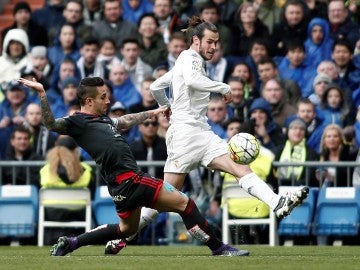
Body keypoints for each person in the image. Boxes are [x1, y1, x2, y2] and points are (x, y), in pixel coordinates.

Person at [105, 16, 309, 254]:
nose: (214, 47)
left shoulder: (188, 61)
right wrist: (221, 87)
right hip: (185, 134)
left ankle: (277, 203)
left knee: (237, 167)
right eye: (210, 42)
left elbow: (156, 87)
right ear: (195, 41)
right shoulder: (189, 58)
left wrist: (167, 106)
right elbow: (190, 80)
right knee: (163, 197)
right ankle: (120, 236)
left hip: (199, 132)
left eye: (216, 43)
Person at [19, 76, 249, 257]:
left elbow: (126, 121)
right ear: (89, 101)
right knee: (185, 203)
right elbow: (50, 124)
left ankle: (72, 242)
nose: (108, 101)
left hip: (121, 188)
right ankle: (219, 248)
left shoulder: (104, 121)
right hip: (131, 179)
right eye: (103, 96)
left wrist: (153, 112)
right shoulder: (77, 121)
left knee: (126, 231)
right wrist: (42, 94)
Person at [39, 135, 95, 245]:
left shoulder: (45, 170)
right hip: (78, 211)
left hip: (52, 212)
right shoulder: (87, 170)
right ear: (76, 151)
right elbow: (92, 192)